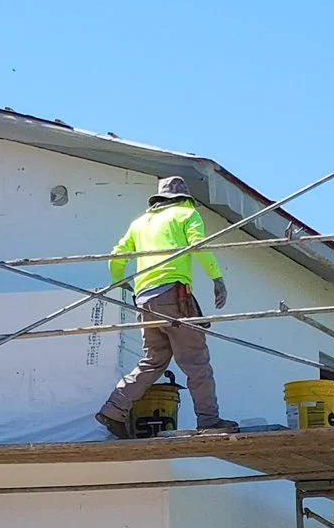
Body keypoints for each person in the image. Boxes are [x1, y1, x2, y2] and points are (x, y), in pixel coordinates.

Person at [97, 176, 236, 437]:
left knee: (154, 360)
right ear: (184, 198)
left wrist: (121, 285)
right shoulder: (186, 214)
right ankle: (208, 420)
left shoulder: (140, 223)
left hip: (145, 300)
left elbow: (117, 256)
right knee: (196, 362)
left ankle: (113, 410)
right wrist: (217, 278)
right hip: (174, 297)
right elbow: (198, 246)